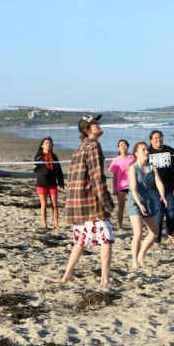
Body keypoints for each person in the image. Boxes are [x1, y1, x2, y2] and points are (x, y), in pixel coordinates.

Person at [62, 115, 115, 288]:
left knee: (80, 240)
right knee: (106, 238)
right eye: (95, 124)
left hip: (77, 202)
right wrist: (106, 200)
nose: (99, 125)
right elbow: (96, 177)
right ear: (87, 130)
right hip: (91, 201)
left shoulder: (79, 149)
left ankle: (67, 275)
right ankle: (105, 279)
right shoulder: (93, 146)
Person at [126, 141, 167, 268]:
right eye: (143, 150)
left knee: (154, 232)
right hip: (135, 202)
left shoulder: (151, 167)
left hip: (148, 202)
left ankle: (141, 255)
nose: (146, 152)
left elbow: (159, 182)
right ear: (136, 153)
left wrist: (163, 195)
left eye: (147, 150)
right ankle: (134, 261)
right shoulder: (133, 168)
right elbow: (133, 189)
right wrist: (139, 204)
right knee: (138, 233)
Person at [148, 130, 174, 244]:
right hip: (153, 189)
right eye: (156, 138)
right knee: (159, 213)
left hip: (170, 188)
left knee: (171, 213)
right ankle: (157, 239)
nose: (158, 140)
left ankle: (170, 233)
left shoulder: (170, 151)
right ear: (151, 140)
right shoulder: (148, 152)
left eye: (160, 137)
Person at [33, 137, 65, 229]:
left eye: (50, 143)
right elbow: (35, 169)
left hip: (52, 182)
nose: (48, 144)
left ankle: (56, 224)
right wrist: (45, 171)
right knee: (44, 204)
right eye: (46, 143)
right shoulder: (38, 156)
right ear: (42, 145)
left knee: (54, 204)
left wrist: (61, 182)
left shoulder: (54, 156)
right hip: (41, 182)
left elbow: (59, 170)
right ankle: (44, 223)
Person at [108, 139, 135, 230]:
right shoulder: (116, 160)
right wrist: (114, 189)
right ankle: (120, 225)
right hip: (121, 186)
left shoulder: (133, 158)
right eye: (121, 145)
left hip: (132, 185)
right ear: (118, 148)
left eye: (124, 145)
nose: (123, 147)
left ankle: (138, 225)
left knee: (135, 206)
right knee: (121, 207)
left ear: (128, 146)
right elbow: (114, 176)